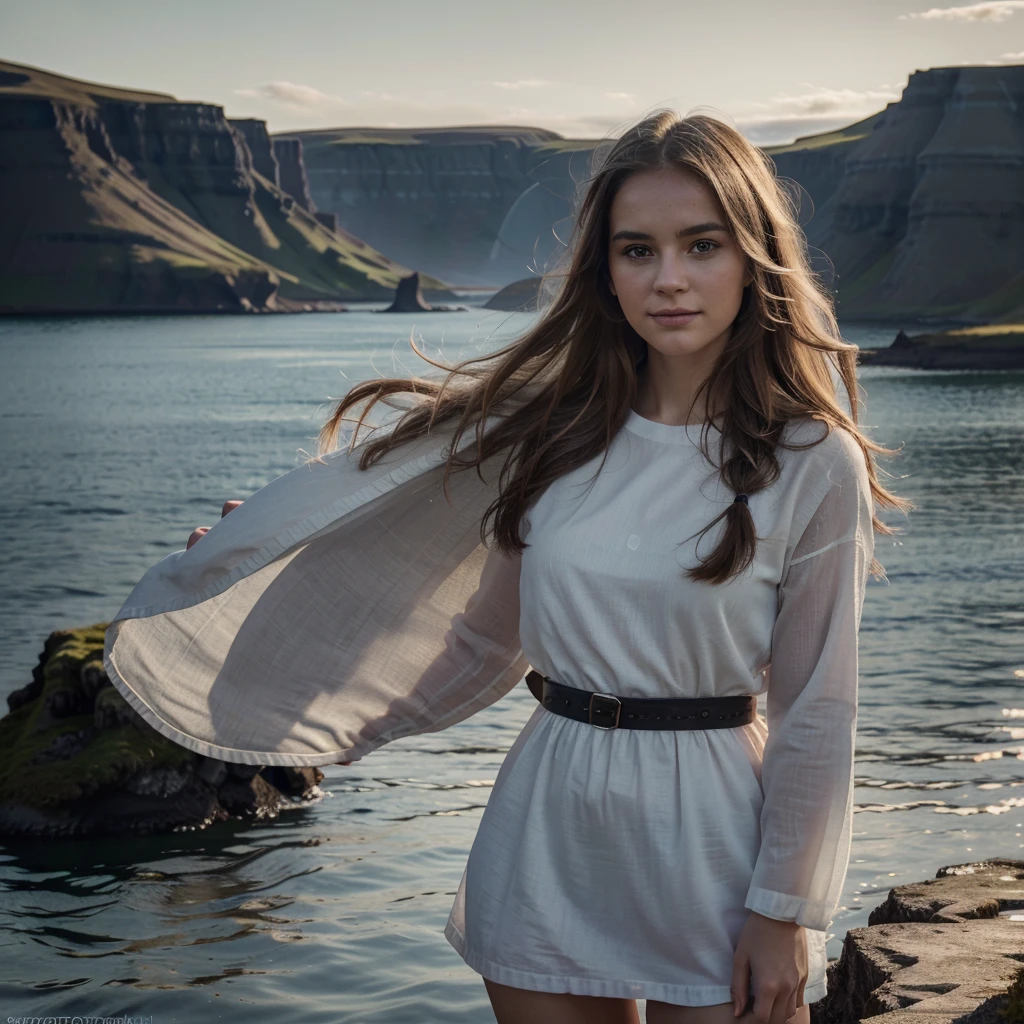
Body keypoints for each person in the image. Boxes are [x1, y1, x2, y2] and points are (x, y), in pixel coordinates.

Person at [106, 111, 909, 1024]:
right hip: (549, 819)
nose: (670, 278)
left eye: (702, 245)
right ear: (605, 272)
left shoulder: (814, 461)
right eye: (637, 250)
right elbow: (482, 645)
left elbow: (817, 708)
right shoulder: (560, 434)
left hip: (713, 837)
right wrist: (265, 611)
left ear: (754, 254)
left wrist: (782, 911)